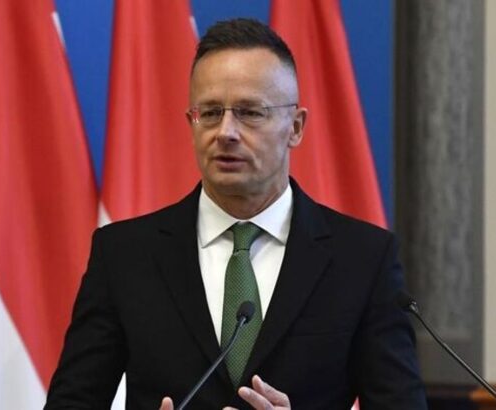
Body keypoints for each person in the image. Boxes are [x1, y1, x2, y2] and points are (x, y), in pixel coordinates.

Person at [45, 18, 427, 409]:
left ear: (295, 127)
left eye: (250, 112)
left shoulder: (363, 258)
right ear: (191, 123)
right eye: (210, 113)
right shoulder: (124, 254)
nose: (226, 132)